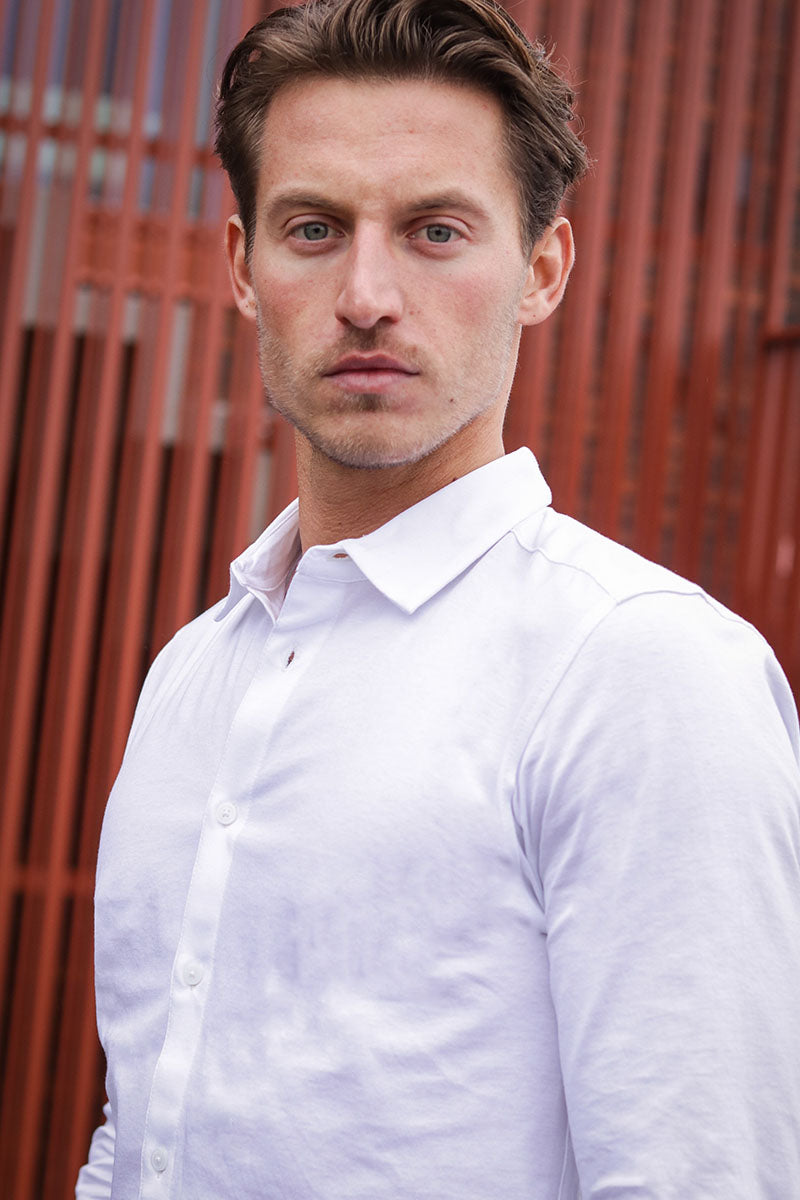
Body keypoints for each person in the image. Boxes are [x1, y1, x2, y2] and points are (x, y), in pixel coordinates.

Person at [77, 1, 800, 1197]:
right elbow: (141, 1133)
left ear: (541, 271)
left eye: (435, 231)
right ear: (242, 267)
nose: (366, 293)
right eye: (314, 228)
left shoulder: (638, 671)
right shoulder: (193, 671)